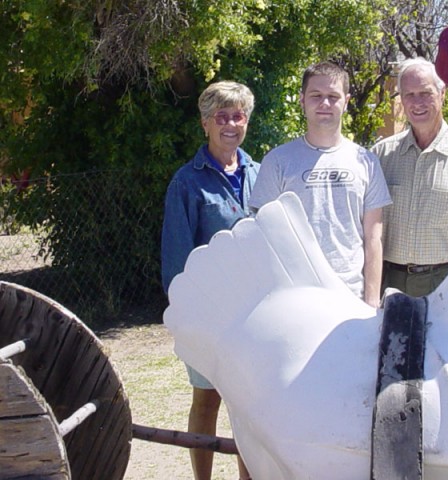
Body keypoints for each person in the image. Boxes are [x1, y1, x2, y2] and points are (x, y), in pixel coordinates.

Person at [161, 80, 257, 480]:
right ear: (205, 124)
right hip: (208, 314)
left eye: (238, 116)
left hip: (253, 315)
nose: (231, 124)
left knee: (248, 407)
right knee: (207, 400)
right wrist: (189, 317)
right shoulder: (187, 182)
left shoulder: (260, 172)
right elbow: (176, 259)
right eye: (222, 117)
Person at [248, 61, 391, 308]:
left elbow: (373, 237)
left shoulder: (365, 161)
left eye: (333, 97)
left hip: (350, 296)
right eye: (316, 96)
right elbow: (263, 235)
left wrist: (371, 301)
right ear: (302, 100)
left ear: (346, 101)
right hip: (293, 296)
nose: (325, 103)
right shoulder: (278, 161)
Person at [371, 57, 448, 297]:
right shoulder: (380, 156)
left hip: (447, 284)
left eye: (425, 93)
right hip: (389, 282)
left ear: (442, 94)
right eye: (409, 94)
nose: (417, 103)